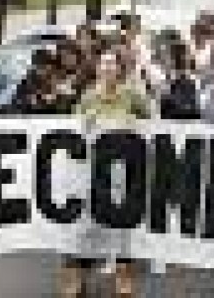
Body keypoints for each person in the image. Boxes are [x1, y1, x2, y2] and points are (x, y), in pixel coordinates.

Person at [62, 51, 151, 298]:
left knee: (122, 222)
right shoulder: (89, 96)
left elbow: (152, 120)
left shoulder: (131, 94)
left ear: (119, 69)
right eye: (104, 63)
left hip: (122, 171)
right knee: (83, 222)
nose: (108, 67)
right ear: (98, 68)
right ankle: (75, 276)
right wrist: (85, 121)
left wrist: (134, 120)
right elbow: (73, 126)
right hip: (92, 169)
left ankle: (123, 276)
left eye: (113, 63)